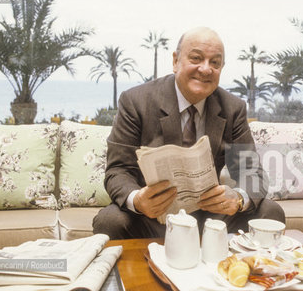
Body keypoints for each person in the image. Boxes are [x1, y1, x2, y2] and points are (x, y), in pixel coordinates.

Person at [93, 27, 285, 239]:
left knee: (270, 212)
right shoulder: (136, 101)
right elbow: (118, 170)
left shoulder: (232, 108)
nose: (205, 69)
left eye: (215, 63)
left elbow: (251, 172)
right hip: (153, 218)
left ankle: (246, 271)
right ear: (176, 61)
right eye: (196, 58)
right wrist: (138, 200)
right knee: (110, 220)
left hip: (214, 220)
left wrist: (237, 199)